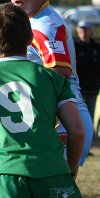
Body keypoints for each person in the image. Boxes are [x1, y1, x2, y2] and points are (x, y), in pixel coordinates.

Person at [0, 3, 84, 197]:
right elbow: (77, 132)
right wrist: (70, 170)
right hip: (52, 172)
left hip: (6, 174)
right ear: (31, 38)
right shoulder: (53, 78)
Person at [11, 0, 94, 166]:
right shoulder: (31, 20)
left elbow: (59, 72)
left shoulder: (45, 24)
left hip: (61, 120)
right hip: (58, 117)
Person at [74, 20, 100, 121]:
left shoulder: (97, 47)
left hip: (92, 88)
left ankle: (89, 137)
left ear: (91, 31)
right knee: (77, 116)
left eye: (86, 29)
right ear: (78, 30)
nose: (84, 31)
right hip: (78, 88)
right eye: (82, 29)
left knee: (89, 117)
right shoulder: (75, 47)